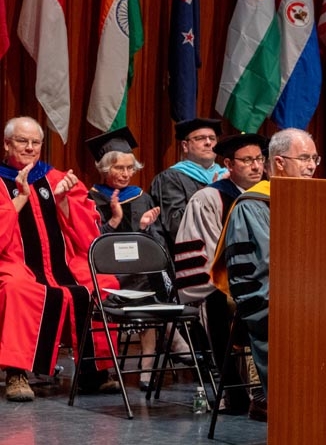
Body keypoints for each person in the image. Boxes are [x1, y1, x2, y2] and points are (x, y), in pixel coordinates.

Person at [0, 116, 120, 402]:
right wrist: (19, 200)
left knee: (102, 284)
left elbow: (89, 235)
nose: (29, 147)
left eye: (35, 142)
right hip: (13, 262)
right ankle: (16, 372)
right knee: (19, 289)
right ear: (6, 144)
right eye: (22, 141)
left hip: (64, 263)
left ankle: (94, 372)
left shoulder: (56, 178)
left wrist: (64, 202)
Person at [210, 128, 319, 421]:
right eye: (305, 158)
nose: (311, 165)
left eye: (314, 159)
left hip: (311, 297)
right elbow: (258, 273)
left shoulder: (319, 199)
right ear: (280, 162)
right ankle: (294, 414)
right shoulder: (254, 205)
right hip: (269, 301)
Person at [86, 127, 192, 391]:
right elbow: (89, 245)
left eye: (129, 168)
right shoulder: (89, 198)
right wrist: (113, 221)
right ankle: (172, 338)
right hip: (108, 276)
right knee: (147, 281)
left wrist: (144, 229)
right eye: (118, 168)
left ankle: (147, 367)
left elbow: (156, 248)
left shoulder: (141, 197)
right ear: (103, 168)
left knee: (156, 274)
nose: (125, 174)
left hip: (141, 272)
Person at [174, 132, 267, 414]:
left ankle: (272, 391)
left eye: (259, 159)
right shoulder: (210, 198)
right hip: (221, 287)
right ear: (229, 164)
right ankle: (237, 393)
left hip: (262, 283)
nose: (255, 166)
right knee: (227, 303)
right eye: (247, 160)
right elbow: (209, 255)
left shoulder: (272, 194)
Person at [149, 118, 228, 255]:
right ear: (185, 146)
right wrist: (208, 195)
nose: (208, 143)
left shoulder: (227, 176)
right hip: (193, 258)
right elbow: (175, 224)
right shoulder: (170, 178)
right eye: (200, 138)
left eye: (212, 138)